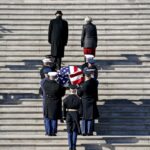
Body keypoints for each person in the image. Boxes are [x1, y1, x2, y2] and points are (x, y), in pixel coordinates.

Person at [43, 71, 66, 136]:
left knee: (47, 117)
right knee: (54, 118)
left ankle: (48, 131)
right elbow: (62, 94)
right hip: (55, 103)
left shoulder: (45, 84)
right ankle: (53, 131)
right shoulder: (58, 85)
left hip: (47, 102)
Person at [77, 70, 99, 136]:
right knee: (90, 117)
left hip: (85, 101)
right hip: (92, 100)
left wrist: (78, 87)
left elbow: (79, 93)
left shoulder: (84, 85)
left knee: (84, 117)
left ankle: (84, 131)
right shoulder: (95, 82)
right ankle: (90, 131)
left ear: (85, 76)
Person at [63, 84, 82, 150]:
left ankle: (70, 146)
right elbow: (80, 110)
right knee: (74, 130)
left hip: (68, 114)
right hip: (76, 115)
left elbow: (64, 109)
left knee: (69, 131)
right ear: (75, 90)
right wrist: (80, 116)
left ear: (70, 90)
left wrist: (64, 117)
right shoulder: (78, 99)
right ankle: (74, 146)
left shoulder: (65, 99)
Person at [40, 67, 51, 135]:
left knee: (46, 116)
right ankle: (51, 131)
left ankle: (48, 131)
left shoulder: (43, 81)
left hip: (46, 100)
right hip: (52, 100)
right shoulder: (54, 81)